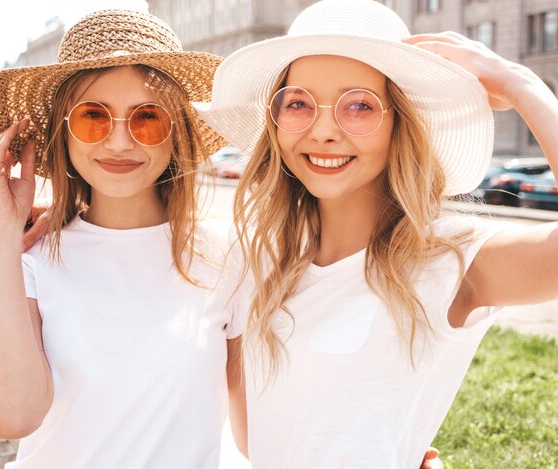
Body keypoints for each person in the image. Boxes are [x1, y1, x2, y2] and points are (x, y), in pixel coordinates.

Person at [194, 0, 558, 467]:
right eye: (299, 103)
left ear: (399, 123)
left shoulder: (449, 258)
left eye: (360, 106)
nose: (323, 130)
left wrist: (520, 83)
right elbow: (254, 441)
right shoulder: (257, 268)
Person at [0, 9, 243, 468]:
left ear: (175, 132)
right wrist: (2, 234)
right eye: (93, 117)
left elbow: (261, 431)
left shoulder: (228, 258)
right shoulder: (30, 256)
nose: (120, 142)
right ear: (62, 132)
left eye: (148, 119)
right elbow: (11, 416)